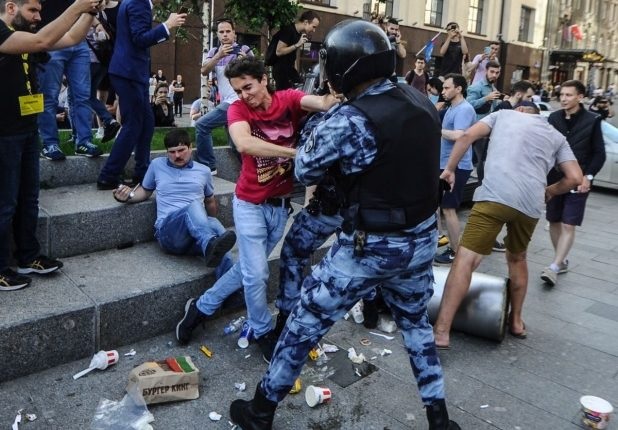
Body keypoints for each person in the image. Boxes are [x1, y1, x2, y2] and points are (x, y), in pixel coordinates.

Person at [228, 20, 461, 430]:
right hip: (420, 239)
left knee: (302, 325)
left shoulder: (353, 118)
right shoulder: (421, 100)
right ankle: (440, 420)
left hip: (370, 247)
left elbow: (303, 169)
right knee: (416, 328)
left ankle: (261, 410)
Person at [175, 57, 339, 362]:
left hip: (279, 210)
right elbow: (245, 144)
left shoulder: (288, 100)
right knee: (256, 274)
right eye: (239, 90)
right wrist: (296, 154)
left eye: (248, 86)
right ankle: (262, 330)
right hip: (249, 204)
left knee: (248, 270)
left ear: (264, 79)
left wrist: (334, 93)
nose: (244, 94)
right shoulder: (239, 109)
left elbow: (324, 103)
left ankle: (201, 307)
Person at [432, 102, 582, 350]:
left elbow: (467, 135)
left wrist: (449, 170)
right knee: (517, 258)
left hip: (494, 196)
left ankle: (442, 331)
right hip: (530, 204)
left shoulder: (502, 114)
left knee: (466, 260)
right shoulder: (555, 134)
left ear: (521, 110)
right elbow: (575, 177)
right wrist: (550, 191)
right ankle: (516, 321)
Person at [1, 0, 102, 290]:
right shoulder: (3, 32)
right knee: (5, 203)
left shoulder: (27, 39)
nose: (38, 16)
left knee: (28, 198)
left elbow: (69, 39)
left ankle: (28, 257)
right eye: (32, 10)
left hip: (27, 130)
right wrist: (78, 4)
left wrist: (90, 11)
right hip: (4, 133)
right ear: (11, 7)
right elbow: (44, 38)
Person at [111, 129, 236, 277]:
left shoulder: (204, 171)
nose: (177, 155)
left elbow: (210, 201)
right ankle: (209, 241)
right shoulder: (157, 165)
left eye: (181, 150)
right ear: (166, 152)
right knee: (194, 206)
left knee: (221, 242)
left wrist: (210, 221)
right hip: (168, 233)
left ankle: (230, 291)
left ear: (190, 147)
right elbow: (144, 191)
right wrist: (126, 196)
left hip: (194, 236)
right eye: (172, 152)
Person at [96, 1, 186, 190]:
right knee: (134, 124)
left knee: (146, 123)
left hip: (129, 71)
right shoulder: (139, 2)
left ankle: (142, 173)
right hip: (129, 72)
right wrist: (167, 25)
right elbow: (140, 39)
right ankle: (108, 176)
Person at [541, 80, 606, 287]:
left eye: (569, 95)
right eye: (562, 95)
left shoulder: (592, 120)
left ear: (580, 97)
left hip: (578, 180)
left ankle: (554, 266)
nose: (563, 99)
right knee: (553, 220)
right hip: (554, 179)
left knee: (569, 223)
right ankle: (561, 259)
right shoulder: (553, 118)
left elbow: (599, 153)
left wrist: (589, 176)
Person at [38, 0, 104, 161]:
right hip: (51, 37)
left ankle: (83, 141)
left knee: (82, 95)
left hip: (78, 39)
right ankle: (49, 143)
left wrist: (97, 23)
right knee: (49, 96)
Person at [194, 18, 253, 174]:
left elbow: (257, 74)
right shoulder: (214, 52)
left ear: (234, 33)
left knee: (201, 125)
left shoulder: (245, 50)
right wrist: (218, 56)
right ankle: (253, 172)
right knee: (235, 144)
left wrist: (244, 62)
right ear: (218, 35)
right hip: (227, 101)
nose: (225, 35)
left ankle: (209, 166)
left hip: (238, 101)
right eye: (221, 32)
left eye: (228, 31)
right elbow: (204, 71)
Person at [434, 74, 476, 266]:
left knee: (449, 208)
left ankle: (455, 251)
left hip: (457, 166)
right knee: (440, 206)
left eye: (446, 88)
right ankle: (443, 240)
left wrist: (436, 129)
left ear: (458, 89)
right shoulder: (452, 108)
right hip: (446, 164)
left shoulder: (465, 110)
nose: (443, 91)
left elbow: (460, 136)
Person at [271, 10, 320, 90]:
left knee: (301, 89)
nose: (314, 30)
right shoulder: (289, 30)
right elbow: (279, 51)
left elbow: (293, 55)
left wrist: (295, 70)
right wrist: (297, 45)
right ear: (306, 22)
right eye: (313, 27)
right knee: (286, 98)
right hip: (281, 71)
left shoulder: (299, 34)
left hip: (290, 70)